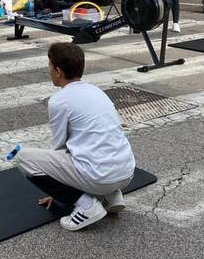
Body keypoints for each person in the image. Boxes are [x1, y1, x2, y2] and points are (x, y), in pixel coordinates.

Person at [15, 43, 135, 231]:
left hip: (101, 178)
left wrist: (57, 188)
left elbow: (59, 146)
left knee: (22, 157)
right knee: (97, 147)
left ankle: (86, 206)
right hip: (127, 173)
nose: (49, 71)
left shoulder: (59, 101)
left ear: (58, 71)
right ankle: (113, 197)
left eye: (49, 67)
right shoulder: (96, 91)